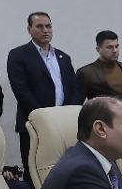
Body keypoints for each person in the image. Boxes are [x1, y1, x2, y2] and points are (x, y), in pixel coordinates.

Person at [6, 12, 83, 177]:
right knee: (36, 172)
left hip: (63, 124)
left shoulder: (63, 57)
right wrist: (44, 117)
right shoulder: (18, 55)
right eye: (39, 26)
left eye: (48, 26)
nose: (45, 30)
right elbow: (21, 90)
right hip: (34, 124)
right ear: (29, 30)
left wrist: (68, 114)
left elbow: (74, 88)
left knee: (66, 171)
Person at [76, 30, 122, 102]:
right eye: (109, 47)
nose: (115, 50)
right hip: (102, 108)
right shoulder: (86, 73)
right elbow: (76, 103)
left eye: (116, 46)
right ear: (98, 49)